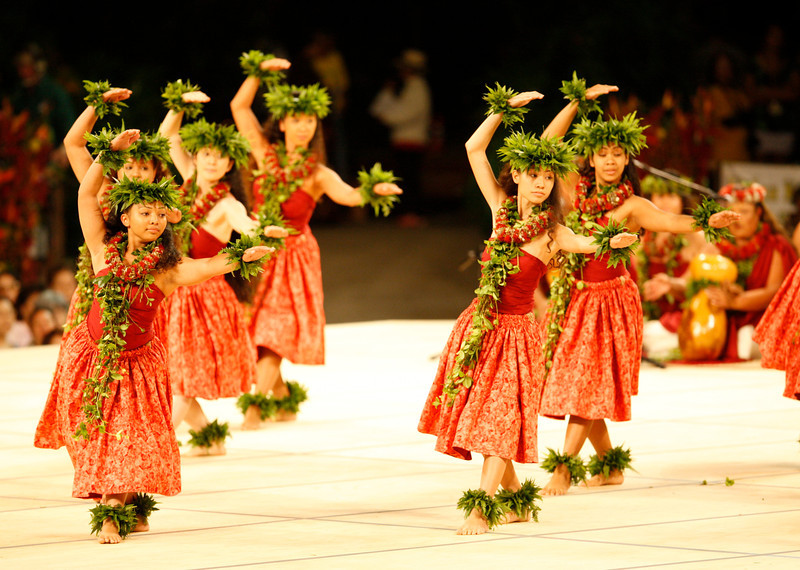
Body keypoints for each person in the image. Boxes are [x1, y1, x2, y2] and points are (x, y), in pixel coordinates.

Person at [33, 129, 275, 544]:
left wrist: (241, 255)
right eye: (145, 213)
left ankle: (112, 512)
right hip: (89, 357)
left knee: (131, 434)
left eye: (161, 215)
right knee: (94, 435)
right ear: (125, 217)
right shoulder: (101, 249)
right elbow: (86, 197)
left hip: (138, 364)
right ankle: (131, 507)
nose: (154, 221)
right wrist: (108, 155)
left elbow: (208, 266)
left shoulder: (167, 267)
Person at [418, 82, 638, 535]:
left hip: (517, 335)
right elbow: (473, 147)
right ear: (516, 175)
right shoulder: (500, 211)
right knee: (479, 415)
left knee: (497, 417)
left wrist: (609, 241)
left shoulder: (552, 231)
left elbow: (584, 241)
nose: (541, 183)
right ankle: (517, 501)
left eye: (548, 177)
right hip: (479, 328)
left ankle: (481, 508)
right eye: (533, 174)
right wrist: (502, 109)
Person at [538, 102, 739, 496]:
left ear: (628, 158)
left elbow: (671, 222)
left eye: (618, 154)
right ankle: (611, 467)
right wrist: (575, 103)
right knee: (583, 384)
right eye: (603, 154)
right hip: (575, 298)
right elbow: (547, 144)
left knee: (586, 385)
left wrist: (706, 220)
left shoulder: (633, 206)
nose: (611, 162)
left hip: (612, 302)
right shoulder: (573, 190)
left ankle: (563, 469)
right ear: (590, 158)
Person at [230, 51, 402, 429]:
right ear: (284, 122)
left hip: (293, 256)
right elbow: (239, 107)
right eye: (297, 119)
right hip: (257, 252)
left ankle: (255, 408)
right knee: (252, 331)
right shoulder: (262, 153)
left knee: (273, 330)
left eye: (310, 120)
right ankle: (284, 399)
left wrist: (374, 189)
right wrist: (258, 73)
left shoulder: (318, 173)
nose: (304, 126)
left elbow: (350, 195)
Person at [158, 81, 288, 455]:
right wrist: (179, 105)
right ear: (195, 157)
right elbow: (167, 135)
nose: (211, 160)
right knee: (172, 375)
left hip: (201, 298)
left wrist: (267, 231)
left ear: (231, 164)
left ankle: (154, 444)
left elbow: (250, 227)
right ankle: (211, 438)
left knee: (182, 379)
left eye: (220, 156)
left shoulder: (228, 204)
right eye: (206, 154)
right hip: (169, 291)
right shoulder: (185, 183)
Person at [62, 80, 173, 339]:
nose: (135, 173)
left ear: (156, 172)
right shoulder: (101, 189)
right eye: (129, 165)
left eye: (144, 168)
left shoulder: (164, 205)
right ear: (117, 166)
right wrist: (97, 105)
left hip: (144, 297)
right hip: (100, 289)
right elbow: (73, 144)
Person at [676, 182, 797, 361]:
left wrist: (733, 301)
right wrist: (669, 283)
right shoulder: (716, 244)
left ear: (759, 213)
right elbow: (690, 281)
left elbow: (775, 292)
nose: (737, 218)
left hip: (763, 319)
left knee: (750, 342)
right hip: (727, 320)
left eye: (745, 212)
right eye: (733, 211)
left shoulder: (776, 246)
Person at [637, 174, 706, 360]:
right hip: (649, 315)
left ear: (682, 200)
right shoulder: (641, 238)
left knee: (652, 334)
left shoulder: (697, 238)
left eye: (671, 196)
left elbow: (695, 286)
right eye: (660, 195)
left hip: (684, 316)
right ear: (650, 199)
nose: (665, 202)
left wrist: (671, 285)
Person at [369, 48, 432, 226]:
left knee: (410, 178)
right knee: (406, 177)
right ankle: (408, 212)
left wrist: (387, 117)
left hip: (412, 140)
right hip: (404, 140)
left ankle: (412, 213)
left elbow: (406, 113)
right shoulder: (411, 86)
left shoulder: (417, 86)